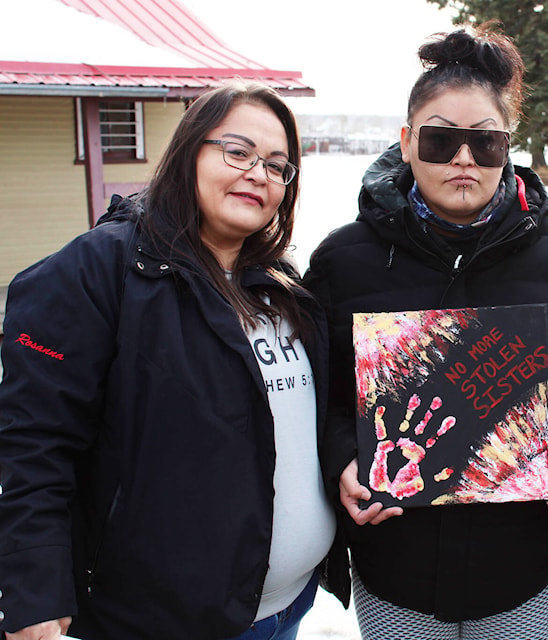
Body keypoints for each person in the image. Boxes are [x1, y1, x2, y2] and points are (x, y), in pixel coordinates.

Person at [303, 23, 548, 640]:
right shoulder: (343, 262)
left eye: (484, 143)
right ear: (405, 142)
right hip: (394, 565)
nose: (463, 159)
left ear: (507, 146)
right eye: (440, 140)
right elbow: (316, 394)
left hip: (524, 568)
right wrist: (342, 460)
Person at [0, 81, 349, 640]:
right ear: (189, 150)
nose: (259, 174)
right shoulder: (96, 273)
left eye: (279, 166)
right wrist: (34, 589)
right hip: (164, 620)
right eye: (238, 152)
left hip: (288, 608)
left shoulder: (280, 282)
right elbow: (34, 444)